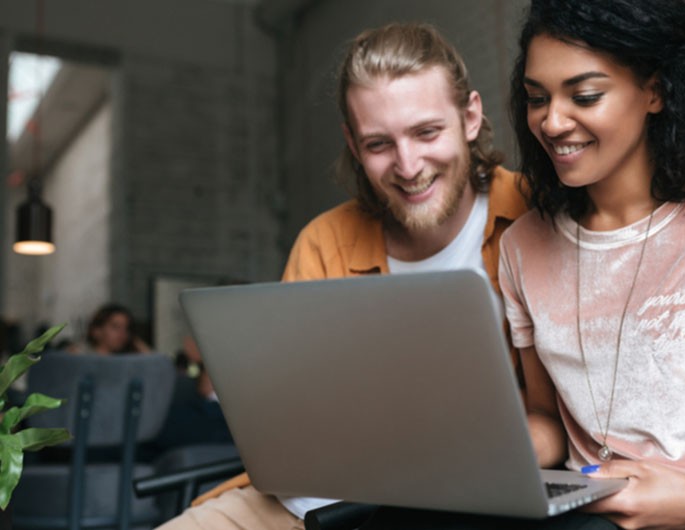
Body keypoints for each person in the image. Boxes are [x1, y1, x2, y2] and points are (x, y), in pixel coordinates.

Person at [156, 21, 528, 530]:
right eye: (379, 144)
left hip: (469, 500)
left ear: (469, 117)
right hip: (311, 499)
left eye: (426, 132)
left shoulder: (533, 215)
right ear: (353, 145)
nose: (408, 165)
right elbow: (282, 419)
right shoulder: (323, 242)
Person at [499, 0, 685, 528]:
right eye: (536, 98)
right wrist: (483, 453)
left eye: (585, 95)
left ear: (656, 91)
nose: (552, 122)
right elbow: (546, 419)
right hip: (594, 504)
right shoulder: (522, 246)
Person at [70, 303, 151, 355]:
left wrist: (136, 342)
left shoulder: (126, 358)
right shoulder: (80, 354)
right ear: (97, 331)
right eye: (115, 327)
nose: (122, 333)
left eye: (127, 328)